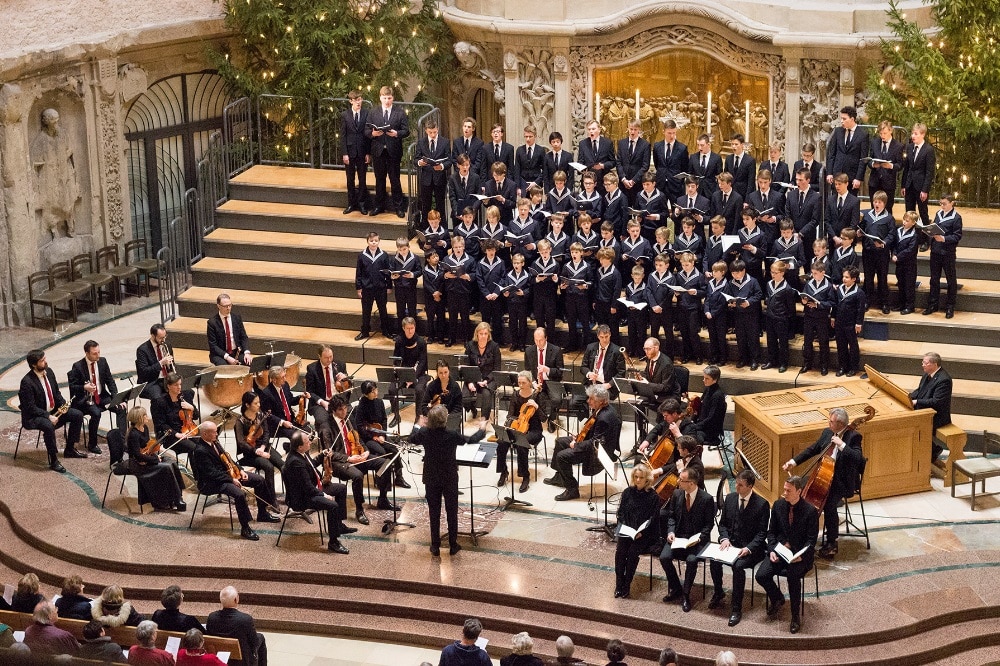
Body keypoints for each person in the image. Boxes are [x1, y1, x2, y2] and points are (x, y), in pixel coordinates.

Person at [783, 407, 862, 559]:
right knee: (798, 492)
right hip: (823, 475)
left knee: (829, 504)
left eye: (831, 421)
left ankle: (832, 542)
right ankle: (798, 535)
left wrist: (842, 445)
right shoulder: (827, 432)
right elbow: (813, 449)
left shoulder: (853, 436)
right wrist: (793, 462)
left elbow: (857, 459)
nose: (828, 423)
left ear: (840, 423)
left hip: (841, 481)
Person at [412, 405, 486, 555]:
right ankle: (453, 544)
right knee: (451, 511)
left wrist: (418, 425)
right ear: (444, 420)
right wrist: (482, 429)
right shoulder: (452, 435)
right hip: (449, 477)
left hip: (431, 477)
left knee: (434, 512)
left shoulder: (424, 433)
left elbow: (411, 438)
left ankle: (435, 545)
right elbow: (471, 439)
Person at [189, 421, 280, 541]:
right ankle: (245, 528)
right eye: (214, 432)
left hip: (228, 474)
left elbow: (228, 458)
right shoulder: (200, 450)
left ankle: (262, 513)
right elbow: (211, 473)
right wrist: (231, 480)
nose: (217, 434)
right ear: (205, 434)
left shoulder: (214, 442)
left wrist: (240, 470)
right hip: (211, 482)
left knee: (259, 480)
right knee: (239, 494)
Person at [755, 475, 818, 634]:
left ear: (799, 491)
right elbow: (771, 533)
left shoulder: (810, 511)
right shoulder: (778, 505)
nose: (784, 493)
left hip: (800, 555)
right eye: (784, 489)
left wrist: (801, 556)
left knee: (793, 577)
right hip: (780, 552)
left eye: (788, 490)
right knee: (761, 575)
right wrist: (772, 550)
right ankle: (777, 598)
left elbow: (811, 541)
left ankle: (795, 616)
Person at [709, 469, 770, 626]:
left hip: (751, 549)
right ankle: (718, 592)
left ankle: (736, 608)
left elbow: (762, 534)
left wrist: (748, 548)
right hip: (731, 544)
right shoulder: (730, 499)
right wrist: (724, 538)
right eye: (736, 483)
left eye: (740, 485)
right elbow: (723, 524)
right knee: (714, 560)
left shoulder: (762, 504)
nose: (736, 487)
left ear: (750, 486)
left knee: (738, 567)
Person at [325, 394, 396, 516]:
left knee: (386, 463)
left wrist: (366, 451)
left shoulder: (349, 418)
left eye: (345, 408)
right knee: (357, 476)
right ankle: (359, 510)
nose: (344, 412)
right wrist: (349, 458)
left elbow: (358, 438)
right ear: (334, 410)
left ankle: (383, 499)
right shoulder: (326, 426)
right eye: (340, 410)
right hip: (341, 462)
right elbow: (329, 453)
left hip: (357, 454)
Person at [548, 385, 622, 501]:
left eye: (592, 399)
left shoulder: (605, 418)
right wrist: (578, 437)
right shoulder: (601, 409)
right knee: (560, 441)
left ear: (601, 401)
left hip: (596, 452)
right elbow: (592, 433)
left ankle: (572, 490)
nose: (588, 401)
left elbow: (595, 443)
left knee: (561, 456)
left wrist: (576, 444)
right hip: (589, 442)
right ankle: (560, 477)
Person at [284, 431, 352, 554]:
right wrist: (324, 495)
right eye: (307, 441)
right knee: (333, 506)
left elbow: (312, 465)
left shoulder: (301, 453)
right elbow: (308, 488)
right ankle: (333, 542)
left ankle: (339, 526)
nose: (310, 442)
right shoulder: (295, 462)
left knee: (341, 489)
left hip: (311, 490)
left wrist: (322, 455)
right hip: (302, 498)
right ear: (300, 446)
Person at [18, 348, 85, 471]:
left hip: (52, 411)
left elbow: (57, 394)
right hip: (34, 416)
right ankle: (53, 460)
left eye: (45, 358)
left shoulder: (49, 372)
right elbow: (30, 407)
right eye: (42, 360)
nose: (45, 361)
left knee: (77, 415)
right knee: (48, 426)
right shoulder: (26, 382)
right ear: (34, 364)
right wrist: (48, 416)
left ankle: (70, 449)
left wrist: (64, 405)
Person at [659, 467, 715, 612]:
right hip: (678, 537)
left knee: (691, 560)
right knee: (664, 557)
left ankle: (686, 594)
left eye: (681, 480)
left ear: (691, 483)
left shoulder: (706, 499)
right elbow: (671, 516)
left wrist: (699, 538)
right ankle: (676, 587)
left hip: (696, 540)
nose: (678, 482)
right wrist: (670, 532)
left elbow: (709, 525)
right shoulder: (677, 494)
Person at [125, 405, 186, 511]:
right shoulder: (133, 434)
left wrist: (154, 456)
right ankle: (172, 500)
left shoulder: (145, 428)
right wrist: (155, 459)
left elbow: (147, 446)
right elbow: (137, 455)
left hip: (146, 457)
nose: (147, 417)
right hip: (137, 463)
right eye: (145, 415)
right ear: (140, 418)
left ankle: (177, 495)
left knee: (172, 462)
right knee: (166, 467)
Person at [68, 339, 125, 453]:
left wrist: (116, 398)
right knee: (96, 413)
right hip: (86, 399)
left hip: (102, 396)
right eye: (94, 353)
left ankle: (122, 440)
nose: (98, 355)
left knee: (121, 408)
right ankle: (92, 444)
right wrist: (84, 387)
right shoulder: (78, 366)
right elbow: (73, 387)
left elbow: (110, 381)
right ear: (87, 353)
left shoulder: (102, 361)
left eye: (99, 352)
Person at [614, 463, 661, 598]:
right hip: (628, 530)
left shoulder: (653, 497)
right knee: (620, 552)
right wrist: (624, 526)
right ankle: (619, 583)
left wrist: (641, 532)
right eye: (636, 477)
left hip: (644, 534)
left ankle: (627, 584)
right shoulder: (628, 492)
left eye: (641, 477)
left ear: (647, 479)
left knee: (633, 553)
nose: (638, 480)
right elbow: (621, 513)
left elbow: (654, 519)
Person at [366, 85, 410, 218]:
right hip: (378, 150)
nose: (387, 101)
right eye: (384, 98)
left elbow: (406, 130)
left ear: (393, 98)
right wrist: (373, 133)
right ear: (380, 98)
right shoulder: (373, 112)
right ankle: (379, 206)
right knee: (379, 179)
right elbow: (366, 130)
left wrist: (397, 133)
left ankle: (398, 207)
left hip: (393, 151)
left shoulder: (400, 112)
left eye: (389, 98)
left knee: (394, 179)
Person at [354, 381, 407, 487]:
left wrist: (382, 434)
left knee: (394, 449)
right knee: (382, 452)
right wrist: (373, 437)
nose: (376, 392)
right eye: (373, 391)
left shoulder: (379, 402)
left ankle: (399, 477)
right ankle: (382, 480)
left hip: (380, 434)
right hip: (368, 438)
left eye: (376, 389)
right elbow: (360, 427)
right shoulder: (361, 407)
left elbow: (384, 419)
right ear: (366, 394)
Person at [234, 391, 285, 498]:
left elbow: (266, 433)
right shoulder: (240, 422)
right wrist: (257, 451)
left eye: (259, 402)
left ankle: (291, 497)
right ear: (247, 405)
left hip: (264, 447)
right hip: (250, 454)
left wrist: (263, 447)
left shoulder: (261, 415)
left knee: (283, 465)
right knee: (268, 467)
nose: (259, 405)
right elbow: (241, 443)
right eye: (255, 403)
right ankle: (271, 498)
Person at [500, 371, 543, 492]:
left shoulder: (538, 396)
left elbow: (545, 418)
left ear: (530, 383)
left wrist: (536, 407)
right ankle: (503, 471)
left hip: (534, 430)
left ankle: (525, 476)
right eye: (519, 382)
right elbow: (510, 414)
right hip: (518, 427)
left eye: (524, 382)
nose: (521, 385)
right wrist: (514, 422)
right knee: (501, 442)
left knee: (521, 444)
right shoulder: (515, 395)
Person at [910, 352, 954, 468]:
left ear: (934, 364)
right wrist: (908, 397)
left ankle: (932, 451)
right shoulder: (927, 374)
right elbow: (919, 391)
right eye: (923, 362)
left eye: (926, 363)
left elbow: (937, 402)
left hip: (937, 416)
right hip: (925, 411)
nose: (923, 365)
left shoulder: (944, 380)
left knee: (912, 425)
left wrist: (917, 402)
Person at [924, 194, 963, 318]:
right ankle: (932, 304)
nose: (942, 206)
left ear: (952, 203)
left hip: (947, 253)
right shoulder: (939, 214)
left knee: (951, 280)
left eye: (944, 204)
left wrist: (944, 238)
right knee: (934, 279)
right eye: (940, 203)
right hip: (935, 251)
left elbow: (957, 236)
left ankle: (950, 306)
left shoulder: (956, 218)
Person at [207, 585, 267, 666]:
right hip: (241, 661)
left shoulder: (212, 617)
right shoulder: (245, 619)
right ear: (236, 599)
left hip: (219, 657)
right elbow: (254, 643)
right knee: (260, 638)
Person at [860, 191, 895, 314]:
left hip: (882, 253)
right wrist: (860, 233)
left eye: (879, 202)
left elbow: (891, 235)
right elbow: (862, 228)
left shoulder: (889, 218)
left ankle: (884, 303)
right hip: (868, 252)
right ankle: (867, 301)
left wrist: (884, 243)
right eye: (875, 202)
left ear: (884, 204)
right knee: (868, 278)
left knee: (882, 278)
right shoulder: (867, 215)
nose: (876, 204)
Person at [304, 344, 347, 442]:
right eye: (326, 358)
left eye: (331, 357)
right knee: (322, 420)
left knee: (350, 415)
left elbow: (348, 387)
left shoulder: (340, 365)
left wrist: (345, 380)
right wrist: (323, 402)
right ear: (319, 356)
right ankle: (327, 446)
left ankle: (346, 442)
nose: (329, 360)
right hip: (320, 402)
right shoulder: (312, 369)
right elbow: (310, 392)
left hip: (338, 400)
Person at [355, 231, 393, 340]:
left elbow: (388, 272)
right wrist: (359, 288)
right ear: (367, 241)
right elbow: (359, 273)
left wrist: (389, 286)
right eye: (371, 241)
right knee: (366, 311)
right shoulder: (362, 256)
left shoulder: (384, 255)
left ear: (379, 241)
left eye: (376, 241)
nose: (373, 243)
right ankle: (365, 331)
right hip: (367, 288)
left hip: (381, 287)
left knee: (383, 310)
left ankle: (386, 330)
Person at [151, 372, 199, 456]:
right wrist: (177, 434)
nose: (179, 387)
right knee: (194, 448)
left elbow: (195, 416)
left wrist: (192, 408)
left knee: (206, 442)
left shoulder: (185, 396)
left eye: (180, 384)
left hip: (189, 430)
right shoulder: (159, 402)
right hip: (171, 436)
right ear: (168, 386)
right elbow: (161, 425)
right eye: (176, 385)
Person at [727, 259, 763, 370]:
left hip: (751, 314)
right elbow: (728, 296)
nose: (735, 275)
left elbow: (758, 295)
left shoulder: (752, 281)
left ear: (743, 271)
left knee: (752, 337)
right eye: (733, 273)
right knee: (741, 337)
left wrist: (748, 302)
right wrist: (730, 303)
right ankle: (743, 358)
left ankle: (754, 359)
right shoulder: (731, 283)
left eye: (737, 273)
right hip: (738, 314)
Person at [800, 259, 835, 375]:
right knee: (807, 341)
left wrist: (818, 304)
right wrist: (804, 301)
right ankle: (807, 363)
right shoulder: (809, 284)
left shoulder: (828, 286)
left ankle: (824, 366)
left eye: (815, 273)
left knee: (823, 342)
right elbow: (804, 296)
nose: (813, 275)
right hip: (809, 316)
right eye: (812, 273)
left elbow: (831, 302)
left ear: (822, 272)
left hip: (821, 318)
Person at [825, 106, 868, 195]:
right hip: (837, 175)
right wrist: (829, 173)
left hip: (851, 177)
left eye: (844, 119)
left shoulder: (863, 135)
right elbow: (832, 154)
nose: (841, 121)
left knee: (850, 203)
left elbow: (863, 159)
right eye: (841, 118)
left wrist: (858, 178)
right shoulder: (838, 132)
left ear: (852, 119)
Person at [415, 120, 452, 222]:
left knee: (441, 205)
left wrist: (441, 166)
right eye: (430, 132)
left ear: (438, 129)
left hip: (439, 178)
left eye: (435, 132)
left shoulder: (445, 142)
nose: (433, 135)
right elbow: (416, 159)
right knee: (425, 205)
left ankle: (443, 228)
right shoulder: (421, 142)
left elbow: (449, 160)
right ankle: (425, 228)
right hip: (426, 178)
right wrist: (419, 163)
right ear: (426, 130)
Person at [762, 260, 795, 372]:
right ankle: (772, 360)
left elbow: (791, 307)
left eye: (776, 273)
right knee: (771, 341)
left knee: (782, 342)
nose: (773, 275)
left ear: (782, 273)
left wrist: (786, 317)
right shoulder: (769, 284)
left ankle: (783, 363)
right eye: (772, 272)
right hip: (770, 317)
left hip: (781, 319)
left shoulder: (787, 289)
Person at [443, 235, 477, 346]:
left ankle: (466, 339)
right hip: (452, 292)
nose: (458, 249)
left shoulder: (470, 260)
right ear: (452, 247)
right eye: (456, 247)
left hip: (464, 292)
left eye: (460, 247)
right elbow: (441, 274)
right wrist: (446, 275)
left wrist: (468, 276)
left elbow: (474, 274)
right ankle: (451, 339)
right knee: (452, 317)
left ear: (463, 247)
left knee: (465, 317)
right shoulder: (447, 259)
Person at [833, 266, 866, 377]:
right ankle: (842, 366)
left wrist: (858, 323)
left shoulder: (859, 293)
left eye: (847, 277)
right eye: (844, 276)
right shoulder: (839, 289)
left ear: (854, 279)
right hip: (839, 322)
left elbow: (860, 310)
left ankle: (853, 367)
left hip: (851, 324)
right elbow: (835, 305)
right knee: (841, 345)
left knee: (852, 346)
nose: (844, 279)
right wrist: (833, 317)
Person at [900, 122, 936, 226]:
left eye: (916, 134)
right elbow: (907, 168)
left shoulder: (928, 150)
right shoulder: (910, 147)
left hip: (920, 186)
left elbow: (929, 172)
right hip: (909, 184)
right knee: (909, 212)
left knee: (923, 211)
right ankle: (910, 235)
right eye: (912, 133)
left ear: (923, 134)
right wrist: (903, 185)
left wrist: (925, 190)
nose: (913, 136)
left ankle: (925, 238)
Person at [464, 322, 501, 422]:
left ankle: (484, 419)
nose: (483, 336)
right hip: (473, 378)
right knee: (465, 395)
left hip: (489, 379)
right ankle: (473, 409)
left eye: (486, 333)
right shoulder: (470, 345)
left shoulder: (494, 347)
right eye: (481, 334)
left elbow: (497, 368)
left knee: (486, 394)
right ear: (477, 334)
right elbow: (466, 366)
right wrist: (471, 382)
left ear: (489, 334)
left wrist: (486, 381)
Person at [341, 90, 370, 215]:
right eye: (356, 100)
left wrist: (368, 153)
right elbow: (343, 136)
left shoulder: (366, 114)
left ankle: (362, 204)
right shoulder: (345, 115)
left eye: (360, 99)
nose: (359, 102)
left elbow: (368, 135)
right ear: (351, 101)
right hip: (350, 151)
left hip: (362, 151)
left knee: (362, 179)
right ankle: (351, 204)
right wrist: (344, 153)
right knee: (350, 179)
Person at [258, 365, 303, 445]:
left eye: (285, 376)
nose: (285, 379)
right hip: (277, 426)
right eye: (282, 377)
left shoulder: (285, 386)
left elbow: (291, 400)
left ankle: (288, 446)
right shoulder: (266, 393)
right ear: (274, 380)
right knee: (297, 438)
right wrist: (282, 422)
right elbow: (267, 415)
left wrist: (301, 397)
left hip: (291, 420)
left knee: (307, 431)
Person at [866, 120, 904, 215]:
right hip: (874, 182)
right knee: (874, 208)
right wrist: (872, 164)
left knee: (887, 209)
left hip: (888, 183)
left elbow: (900, 165)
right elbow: (870, 159)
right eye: (881, 133)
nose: (882, 136)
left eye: (885, 133)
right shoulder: (875, 143)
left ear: (891, 131)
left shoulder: (898, 146)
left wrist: (891, 166)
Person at [207, 293, 251, 366]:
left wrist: (246, 352)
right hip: (221, 355)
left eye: (230, 305)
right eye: (225, 306)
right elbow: (213, 346)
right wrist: (227, 357)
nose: (228, 308)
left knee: (249, 362)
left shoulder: (236, 318)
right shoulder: (212, 323)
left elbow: (243, 337)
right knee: (225, 368)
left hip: (236, 351)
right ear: (218, 306)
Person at [136, 324, 175, 401]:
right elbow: (144, 371)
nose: (163, 340)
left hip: (166, 379)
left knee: (187, 392)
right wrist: (161, 363)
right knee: (159, 399)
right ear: (153, 336)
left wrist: (168, 365)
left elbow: (172, 366)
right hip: (151, 382)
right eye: (161, 338)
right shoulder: (142, 350)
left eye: (165, 337)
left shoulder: (167, 345)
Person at [652, 120, 689, 202]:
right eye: (669, 133)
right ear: (663, 132)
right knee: (660, 212)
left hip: (676, 187)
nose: (672, 136)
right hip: (661, 185)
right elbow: (657, 164)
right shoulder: (657, 146)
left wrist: (678, 181)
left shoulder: (682, 148)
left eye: (674, 133)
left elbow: (685, 167)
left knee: (677, 213)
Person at [617, 119, 651, 206]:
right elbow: (619, 162)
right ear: (628, 128)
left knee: (637, 209)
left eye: (635, 129)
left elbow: (645, 166)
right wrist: (623, 179)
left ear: (639, 130)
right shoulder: (621, 143)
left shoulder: (645, 145)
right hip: (623, 184)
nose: (632, 132)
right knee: (624, 209)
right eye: (631, 129)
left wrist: (633, 181)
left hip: (637, 183)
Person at [577, 120, 616, 195]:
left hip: (603, 182)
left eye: (593, 129)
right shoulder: (583, 144)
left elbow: (613, 162)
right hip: (588, 183)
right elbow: (580, 161)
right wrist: (581, 169)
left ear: (599, 129)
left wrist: (603, 166)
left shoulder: (607, 143)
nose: (591, 131)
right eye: (589, 129)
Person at [892, 210, 920, 315]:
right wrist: (894, 254)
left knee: (909, 286)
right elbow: (895, 245)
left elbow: (910, 250)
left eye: (907, 221)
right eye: (904, 219)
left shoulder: (914, 235)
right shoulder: (898, 231)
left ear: (913, 223)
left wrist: (898, 256)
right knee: (901, 284)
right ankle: (901, 304)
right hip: (899, 264)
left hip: (909, 265)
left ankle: (909, 306)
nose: (904, 222)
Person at [390, 237, 420, 328]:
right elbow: (391, 271)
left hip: (410, 288)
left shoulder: (415, 258)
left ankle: (414, 331)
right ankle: (401, 331)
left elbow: (419, 271)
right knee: (400, 311)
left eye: (404, 249)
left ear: (408, 247)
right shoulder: (394, 259)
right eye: (400, 250)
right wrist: (392, 276)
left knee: (412, 310)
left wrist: (412, 274)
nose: (402, 251)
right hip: (399, 288)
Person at [450, 157, 482, 230]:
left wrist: (471, 212)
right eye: (462, 165)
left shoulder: (476, 177)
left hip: (472, 214)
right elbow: (452, 197)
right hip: (458, 215)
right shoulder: (453, 178)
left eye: (467, 165)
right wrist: (457, 212)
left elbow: (479, 197)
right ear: (458, 165)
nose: (465, 167)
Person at [690, 133, 722, 199]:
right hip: (697, 191)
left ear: (708, 144)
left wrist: (717, 192)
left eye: (702, 145)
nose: (699, 148)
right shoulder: (693, 157)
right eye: (698, 145)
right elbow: (690, 174)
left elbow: (720, 176)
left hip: (711, 191)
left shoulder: (716, 158)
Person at [724, 134, 756, 199]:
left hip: (743, 195)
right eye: (732, 144)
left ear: (742, 145)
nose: (733, 146)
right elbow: (726, 178)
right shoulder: (728, 159)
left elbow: (751, 182)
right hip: (730, 195)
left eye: (736, 144)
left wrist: (747, 200)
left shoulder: (750, 161)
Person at [514, 125, 545, 191]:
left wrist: (536, 182)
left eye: (530, 136)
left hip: (536, 185)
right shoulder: (519, 150)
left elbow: (545, 169)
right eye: (526, 136)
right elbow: (517, 170)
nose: (528, 139)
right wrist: (518, 187)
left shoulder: (541, 150)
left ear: (535, 136)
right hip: (523, 185)